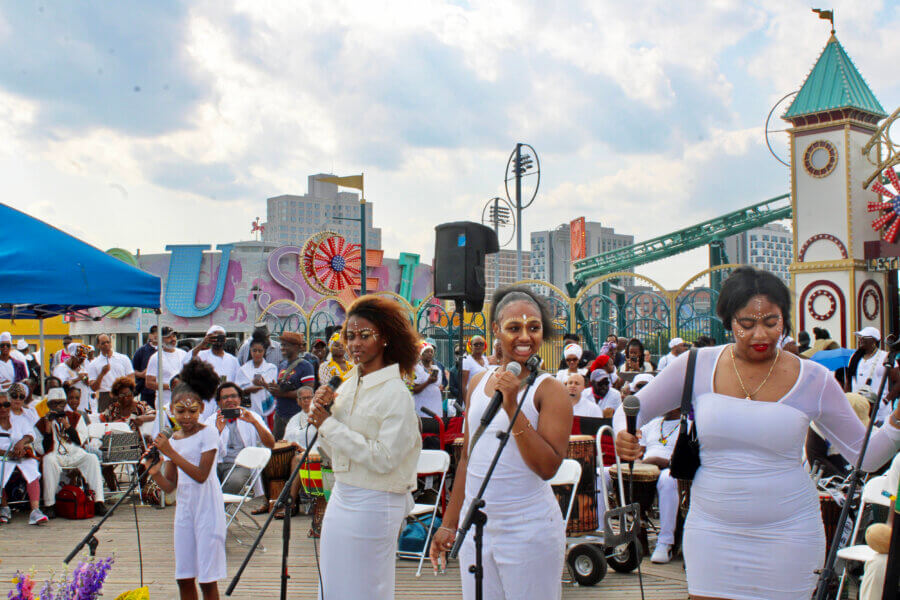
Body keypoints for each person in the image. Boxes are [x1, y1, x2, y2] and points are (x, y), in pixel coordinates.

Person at [614, 266, 900, 599]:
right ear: (728, 322)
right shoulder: (696, 364)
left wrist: (896, 422)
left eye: (771, 322)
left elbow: (865, 458)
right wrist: (624, 433)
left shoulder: (814, 379)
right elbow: (630, 408)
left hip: (790, 535)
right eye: (746, 324)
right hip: (712, 530)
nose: (759, 335)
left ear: (785, 321)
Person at [429, 285, 572, 600]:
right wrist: (449, 525)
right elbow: (468, 458)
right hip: (477, 528)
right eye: (514, 328)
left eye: (533, 328)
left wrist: (512, 407)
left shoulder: (550, 391)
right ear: (495, 330)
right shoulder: (479, 381)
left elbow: (548, 467)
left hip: (529, 529)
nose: (525, 337)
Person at [306, 295, 422, 600]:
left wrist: (329, 425)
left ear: (384, 338)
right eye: (351, 336)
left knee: (365, 589)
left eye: (364, 335)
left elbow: (384, 458)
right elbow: (335, 452)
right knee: (332, 587)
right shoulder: (347, 384)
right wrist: (323, 419)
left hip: (376, 501)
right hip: (343, 493)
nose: (355, 343)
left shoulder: (396, 393)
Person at [147, 359, 226, 600]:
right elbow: (171, 486)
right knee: (184, 577)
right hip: (184, 511)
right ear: (171, 410)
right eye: (180, 411)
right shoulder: (173, 439)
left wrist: (170, 452)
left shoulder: (209, 433)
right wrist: (154, 473)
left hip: (208, 511)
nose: (187, 416)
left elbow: (201, 475)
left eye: (192, 411)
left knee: (207, 579)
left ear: (201, 408)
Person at [37, 388, 107, 519]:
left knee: (92, 458)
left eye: (61, 403)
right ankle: (50, 504)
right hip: (55, 455)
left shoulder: (75, 417)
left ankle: (98, 501)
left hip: (74, 453)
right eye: (54, 403)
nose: (58, 407)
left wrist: (68, 426)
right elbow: (42, 449)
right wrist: (47, 430)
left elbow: (80, 441)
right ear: (49, 405)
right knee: (48, 460)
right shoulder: (42, 422)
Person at [206, 382, 274, 495]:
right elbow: (204, 449)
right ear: (219, 402)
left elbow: (270, 444)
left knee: (235, 481)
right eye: (225, 397)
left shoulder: (252, 416)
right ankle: (215, 510)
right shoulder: (211, 420)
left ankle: (215, 509)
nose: (229, 400)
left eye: (233, 396)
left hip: (241, 464)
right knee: (200, 480)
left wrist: (254, 423)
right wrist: (218, 431)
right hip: (215, 464)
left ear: (240, 399)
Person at [0, 390, 47, 525]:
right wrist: (8, 453)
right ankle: (4, 507)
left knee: (31, 467)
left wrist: (22, 442)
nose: (3, 408)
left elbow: (30, 434)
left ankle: (35, 510)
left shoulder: (19, 419)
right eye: (0, 405)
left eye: (6, 405)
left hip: (20, 455)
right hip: (3, 456)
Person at [184, 325, 251, 419]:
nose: (218, 339)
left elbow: (240, 383)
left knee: (225, 428)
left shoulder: (233, 360)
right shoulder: (201, 356)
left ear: (225, 339)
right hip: (206, 402)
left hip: (226, 402)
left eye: (221, 336)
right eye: (214, 336)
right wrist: (202, 344)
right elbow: (186, 363)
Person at [266, 332, 315, 441]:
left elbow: (308, 391)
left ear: (296, 347)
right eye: (282, 345)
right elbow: (279, 388)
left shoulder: (306, 366)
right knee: (279, 450)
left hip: (296, 416)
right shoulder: (282, 365)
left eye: (285, 345)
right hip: (280, 415)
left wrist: (282, 393)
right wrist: (272, 388)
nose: (282, 347)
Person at [846, 327, 897, 425]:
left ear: (873, 340)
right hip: (859, 409)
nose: (860, 339)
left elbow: (898, 382)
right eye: (860, 337)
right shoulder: (855, 358)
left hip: (880, 410)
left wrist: (885, 401)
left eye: (864, 337)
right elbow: (849, 382)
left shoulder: (886, 357)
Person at [87, 334, 135, 413]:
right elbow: (93, 387)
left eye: (108, 342)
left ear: (111, 343)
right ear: (98, 345)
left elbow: (131, 378)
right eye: (103, 343)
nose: (106, 345)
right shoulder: (94, 364)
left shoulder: (123, 358)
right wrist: (102, 374)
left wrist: (125, 392)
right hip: (105, 396)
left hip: (122, 394)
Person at [146, 327, 188, 416]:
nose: (173, 339)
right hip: (164, 403)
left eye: (174, 336)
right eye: (169, 337)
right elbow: (149, 383)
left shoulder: (183, 354)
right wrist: (171, 386)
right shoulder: (155, 358)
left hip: (184, 402)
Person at [240, 339, 278, 418]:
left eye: (260, 351)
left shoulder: (271, 368)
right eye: (254, 350)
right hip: (248, 406)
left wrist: (264, 384)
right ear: (250, 351)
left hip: (266, 407)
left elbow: (273, 389)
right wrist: (250, 386)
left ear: (264, 351)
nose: (257, 353)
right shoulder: (243, 369)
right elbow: (238, 388)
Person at [52, 344, 94, 413]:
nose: (81, 362)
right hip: (68, 409)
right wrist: (77, 379)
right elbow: (61, 386)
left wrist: (86, 382)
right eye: (79, 359)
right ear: (72, 357)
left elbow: (87, 389)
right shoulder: (61, 368)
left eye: (83, 359)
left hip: (83, 408)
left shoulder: (82, 369)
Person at [413, 342, 445, 418]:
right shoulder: (416, 369)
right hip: (422, 409)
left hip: (436, 408)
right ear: (421, 355)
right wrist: (428, 382)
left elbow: (438, 385)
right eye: (427, 351)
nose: (430, 353)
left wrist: (440, 388)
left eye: (431, 352)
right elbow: (414, 390)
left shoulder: (436, 369)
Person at [132, 325, 158, 407]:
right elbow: (132, 370)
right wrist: (142, 374)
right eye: (153, 333)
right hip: (146, 391)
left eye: (158, 333)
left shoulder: (166, 350)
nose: (156, 335)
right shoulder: (142, 351)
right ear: (150, 335)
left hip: (164, 391)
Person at [461, 335, 489, 399]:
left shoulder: (486, 360)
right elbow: (463, 386)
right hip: (472, 396)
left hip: (483, 395)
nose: (478, 346)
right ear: (471, 346)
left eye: (481, 344)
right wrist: (467, 403)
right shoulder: (466, 361)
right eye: (476, 344)